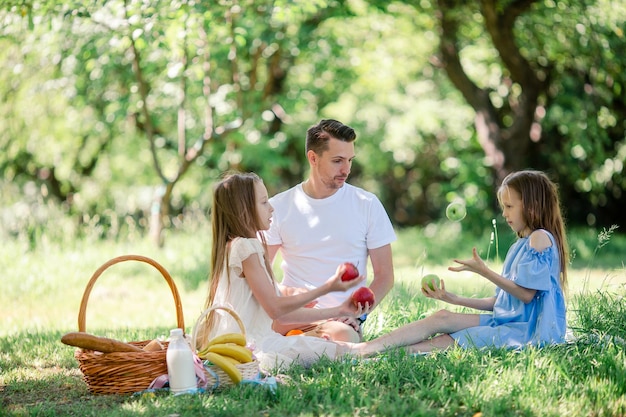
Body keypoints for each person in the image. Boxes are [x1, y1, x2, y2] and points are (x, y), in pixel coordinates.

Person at [347, 170, 569, 356]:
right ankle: (365, 349)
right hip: (507, 321)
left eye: (509, 206)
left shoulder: (540, 238)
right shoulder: (520, 244)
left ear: (532, 205)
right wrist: (451, 298)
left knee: (442, 342)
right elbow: (504, 302)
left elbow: (526, 295)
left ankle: (368, 355)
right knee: (441, 317)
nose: (504, 213)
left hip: (526, 332)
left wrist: (484, 272)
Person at [197, 172, 370, 372]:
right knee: (343, 351)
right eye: (263, 202)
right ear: (244, 210)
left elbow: (281, 316)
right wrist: (328, 287)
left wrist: (338, 311)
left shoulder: (234, 246)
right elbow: (276, 309)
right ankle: (405, 347)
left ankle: (410, 346)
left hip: (244, 343)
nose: (271, 208)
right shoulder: (245, 248)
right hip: (249, 348)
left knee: (341, 348)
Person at [263, 119, 396, 343]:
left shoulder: (366, 204)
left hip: (338, 322)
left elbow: (385, 276)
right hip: (290, 317)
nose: (346, 169)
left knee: (342, 338)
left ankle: (303, 347)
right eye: (337, 161)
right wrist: (284, 295)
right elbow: (261, 272)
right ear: (313, 158)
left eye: (349, 160)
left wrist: (358, 315)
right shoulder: (280, 206)